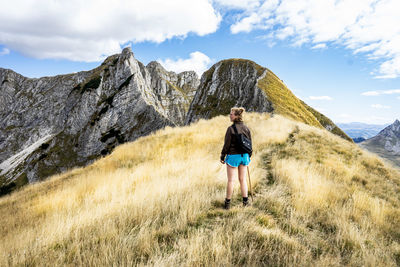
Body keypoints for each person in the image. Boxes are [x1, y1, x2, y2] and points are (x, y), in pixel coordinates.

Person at [220, 107, 252, 209]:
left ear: (237, 116)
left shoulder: (231, 129)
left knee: (231, 181)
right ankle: (245, 202)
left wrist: (222, 156)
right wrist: (249, 155)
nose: (230, 115)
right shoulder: (246, 128)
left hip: (233, 157)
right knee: (243, 180)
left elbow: (226, 145)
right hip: (244, 156)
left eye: (232, 114)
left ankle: (227, 204)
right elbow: (250, 144)